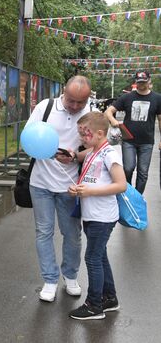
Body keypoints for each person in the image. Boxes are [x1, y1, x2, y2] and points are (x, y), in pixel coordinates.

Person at [27, 75, 91, 302]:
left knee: (72, 234)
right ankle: (50, 279)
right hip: (41, 183)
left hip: (70, 187)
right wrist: (46, 150)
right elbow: (27, 138)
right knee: (43, 232)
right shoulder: (45, 107)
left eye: (80, 103)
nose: (74, 107)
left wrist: (75, 156)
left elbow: (96, 148)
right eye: (71, 100)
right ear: (63, 92)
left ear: (87, 100)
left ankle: (71, 276)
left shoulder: (89, 114)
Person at [67, 112, 127, 320]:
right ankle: (109, 298)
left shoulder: (110, 154)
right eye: (81, 134)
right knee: (100, 256)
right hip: (92, 215)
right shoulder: (94, 150)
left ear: (100, 133)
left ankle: (94, 305)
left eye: (85, 135)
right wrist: (80, 188)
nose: (82, 138)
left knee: (92, 258)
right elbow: (82, 161)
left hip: (103, 217)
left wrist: (89, 191)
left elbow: (121, 185)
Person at [105, 70, 161, 194]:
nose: (141, 84)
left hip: (147, 142)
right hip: (128, 141)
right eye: (139, 82)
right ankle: (127, 193)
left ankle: (137, 197)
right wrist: (113, 121)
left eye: (144, 82)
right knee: (128, 168)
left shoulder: (157, 98)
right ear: (136, 82)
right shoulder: (127, 97)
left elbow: (160, 119)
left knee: (143, 172)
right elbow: (108, 111)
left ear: (149, 81)